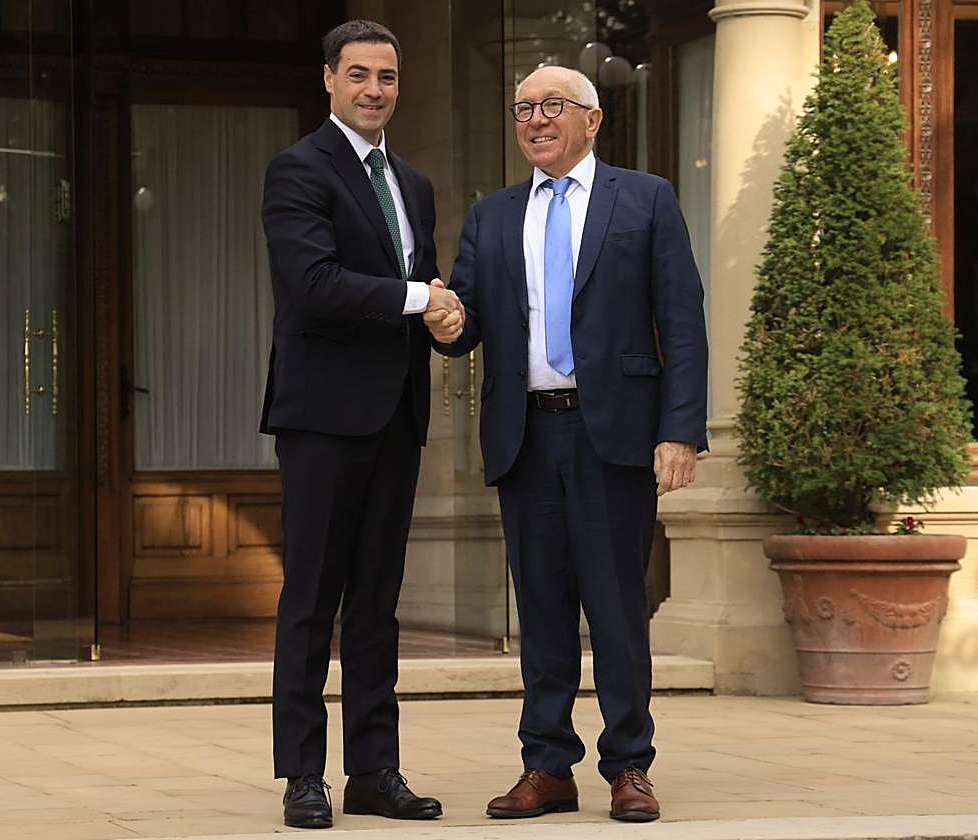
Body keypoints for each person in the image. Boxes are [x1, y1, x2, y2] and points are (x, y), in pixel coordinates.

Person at [425, 65, 708, 823]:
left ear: (593, 119)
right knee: (541, 609)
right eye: (523, 108)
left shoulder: (644, 200)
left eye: (553, 106)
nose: (536, 120)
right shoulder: (493, 215)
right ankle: (546, 766)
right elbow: (470, 319)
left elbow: (682, 320)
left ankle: (628, 765)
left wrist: (680, 430)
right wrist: (450, 326)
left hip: (611, 431)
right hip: (525, 433)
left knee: (615, 608)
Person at [260, 19, 463, 831]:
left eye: (386, 75)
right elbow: (310, 284)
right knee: (311, 599)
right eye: (358, 74)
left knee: (378, 603)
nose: (374, 88)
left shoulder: (413, 184)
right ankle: (301, 775)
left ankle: (374, 769)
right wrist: (421, 299)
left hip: (395, 416)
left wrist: (444, 315)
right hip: (321, 419)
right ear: (328, 80)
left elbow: (422, 280)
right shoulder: (297, 170)